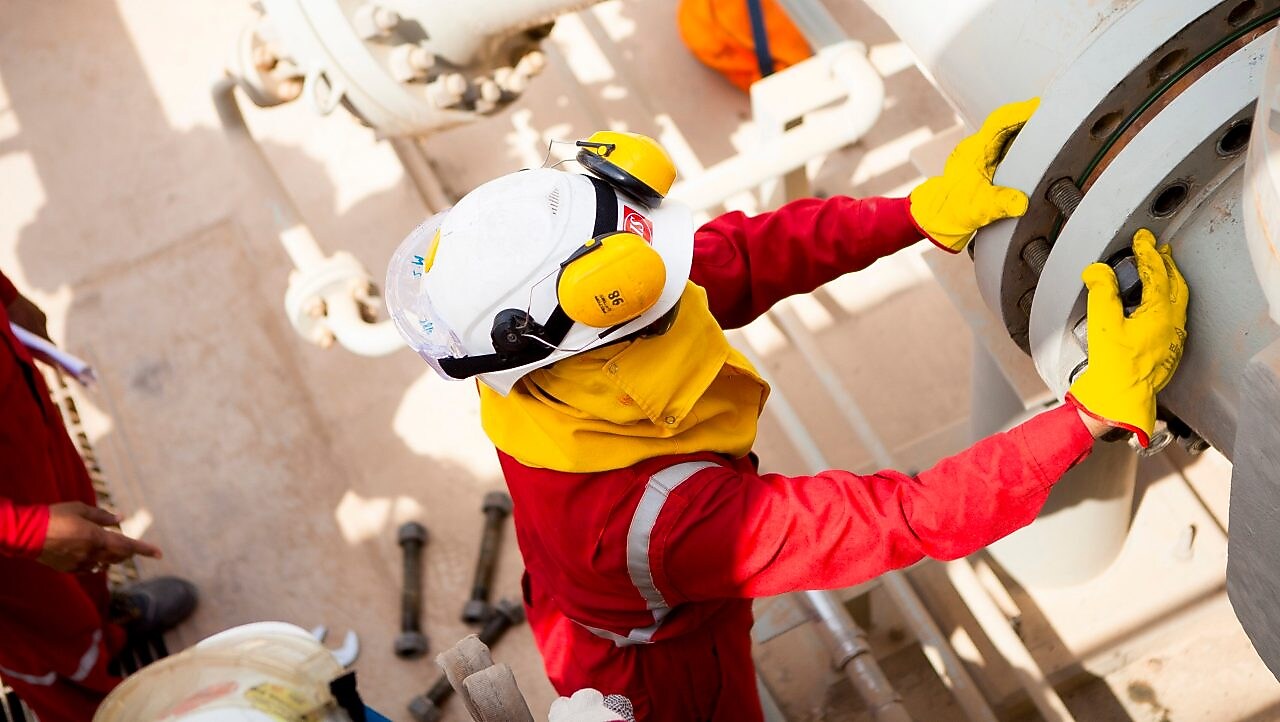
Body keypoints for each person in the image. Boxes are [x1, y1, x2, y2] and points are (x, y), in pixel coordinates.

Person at [384, 99, 1189, 721]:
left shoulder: (543, 360)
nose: (682, 278)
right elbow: (905, 517)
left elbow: (741, 256)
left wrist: (917, 212)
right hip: (661, 676)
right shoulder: (664, 523)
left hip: (570, 603)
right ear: (607, 322)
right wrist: (1084, 415)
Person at [0, 270, 198, 721]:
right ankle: (89, 700)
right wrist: (25, 532)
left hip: (22, 427)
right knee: (43, 635)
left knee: (83, 558)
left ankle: (104, 634)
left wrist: (6, 296)